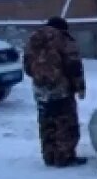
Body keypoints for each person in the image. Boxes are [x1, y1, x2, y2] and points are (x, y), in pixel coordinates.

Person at [23, 17, 87, 168]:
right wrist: (79, 87)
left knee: (46, 122)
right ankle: (64, 157)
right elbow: (74, 65)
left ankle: (49, 155)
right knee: (65, 123)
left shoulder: (33, 39)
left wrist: (41, 78)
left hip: (40, 89)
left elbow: (27, 66)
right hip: (61, 89)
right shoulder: (63, 38)